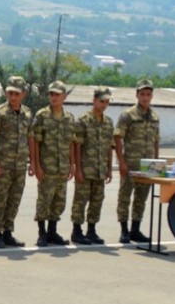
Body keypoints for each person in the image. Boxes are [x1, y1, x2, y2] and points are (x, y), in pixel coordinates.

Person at [0, 75, 32, 249]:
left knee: (14, 199)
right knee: (1, 200)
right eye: (10, 93)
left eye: (16, 93)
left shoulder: (27, 113)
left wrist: (31, 163)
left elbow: (29, 138)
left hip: (20, 165)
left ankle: (8, 232)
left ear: (23, 94)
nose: (12, 97)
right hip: (3, 164)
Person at [29, 80, 75, 247]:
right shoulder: (42, 115)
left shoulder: (69, 118)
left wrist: (72, 164)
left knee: (59, 201)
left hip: (62, 167)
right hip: (47, 168)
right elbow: (34, 141)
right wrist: (36, 165)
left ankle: (52, 232)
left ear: (64, 96)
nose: (53, 97)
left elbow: (71, 142)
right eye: (51, 94)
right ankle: (42, 234)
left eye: (57, 94)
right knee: (44, 200)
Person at [114, 78, 160, 244]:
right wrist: (121, 162)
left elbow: (156, 141)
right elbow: (118, 138)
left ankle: (135, 229)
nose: (145, 97)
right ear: (137, 95)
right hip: (131, 163)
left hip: (148, 165)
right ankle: (124, 231)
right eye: (142, 94)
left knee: (141, 198)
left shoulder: (154, 117)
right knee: (125, 197)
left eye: (148, 94)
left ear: (152, 96)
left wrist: (157, 163)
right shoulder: (128, 115)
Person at [70, 87, 114, 245]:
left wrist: (109, 168)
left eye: (107, 102)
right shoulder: (83, 120)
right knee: (80, 200)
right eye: (101, 101)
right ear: (94, 100)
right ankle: (76, 231)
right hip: (85, 169)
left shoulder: (108, 122)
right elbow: (77, 146)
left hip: (100, 169)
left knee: (97, 200)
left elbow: (110, 146)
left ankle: (92, 230)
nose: (104, 105)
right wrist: (77, 168)